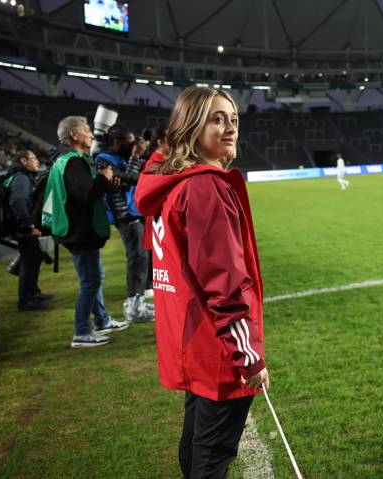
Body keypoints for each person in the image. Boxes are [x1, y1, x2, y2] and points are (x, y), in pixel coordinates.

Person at [135, 86, 269, 478]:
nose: (230, 128)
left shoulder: (171, 183)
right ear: (190, 126)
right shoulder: (204, 187)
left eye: (234, 119)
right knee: (210, 462)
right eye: (216, 118)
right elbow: (224, 283)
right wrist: (247, 354)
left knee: (195, 451)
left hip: (191, 341)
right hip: (217, 350)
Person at [42, 116, 129, 348]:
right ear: (73, 135)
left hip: (77, 229)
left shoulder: (68, 160)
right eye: (87, 130)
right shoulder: (72, 161)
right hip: (80, 230)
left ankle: (101, 321)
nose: (91, 134)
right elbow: (86, 195)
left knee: (93, 277)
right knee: (90, 281)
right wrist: (103, 178)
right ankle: (81, 332)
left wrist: (105, 181)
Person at [94, 126, 154, 323]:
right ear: (115, 143)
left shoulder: (121, 160)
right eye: (128, 142)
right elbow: (127, 180)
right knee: (137, 257)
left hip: (136, 212)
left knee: (142, 256)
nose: (132, 145)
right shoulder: (103, 160)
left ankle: (138, 303)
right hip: (125, 216)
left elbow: (133, 179)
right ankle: (133, 307)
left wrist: (130, 173)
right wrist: (135, 159)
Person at [3, 150, 52, 310]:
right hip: (22, 227)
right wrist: (29, 225)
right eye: (34, 158)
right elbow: (17, 202)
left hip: (19, 225)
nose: (37, 161)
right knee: (29, 261)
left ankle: (32, 293)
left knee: (34, 257)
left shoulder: (18, 176)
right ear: (23, 161)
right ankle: (25, 301)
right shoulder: (21, 178)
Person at [141, 126, 170, 299]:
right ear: (160, 142)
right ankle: (150, 284)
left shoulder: (161, 160)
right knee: (158, 252)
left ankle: (152, 283)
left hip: (161, 218)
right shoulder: (154, 163)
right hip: (159, 218)